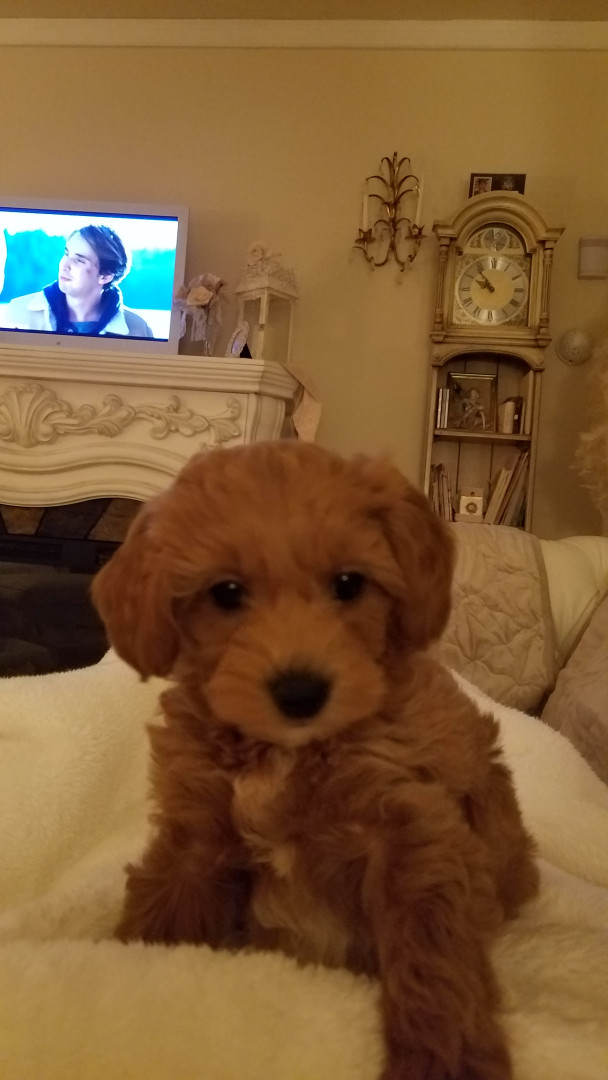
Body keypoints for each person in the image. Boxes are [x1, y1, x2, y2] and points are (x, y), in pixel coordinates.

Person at [5, 224, 153, 338]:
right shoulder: (18, 313)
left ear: (105, 276)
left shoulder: (138, 329)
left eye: (79, 260)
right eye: (66, 253)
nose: (64, 265)